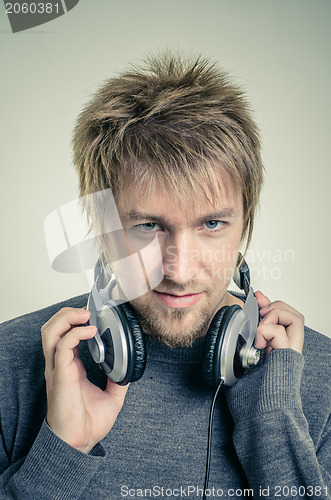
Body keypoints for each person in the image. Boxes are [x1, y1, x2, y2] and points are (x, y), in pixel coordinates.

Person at [0, 53, 330, 500]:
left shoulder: (320, 380)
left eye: (212, 224)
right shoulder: (10, 364)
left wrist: (273, 427)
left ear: (245, 223)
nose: (178, 269)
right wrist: (62, 451)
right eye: (148, 226)